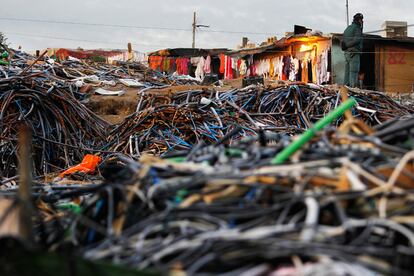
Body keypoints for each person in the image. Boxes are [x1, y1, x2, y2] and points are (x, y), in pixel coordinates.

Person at [342, 13, 364, 87]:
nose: (362, 21)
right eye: (362, 20)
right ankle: (352, 89)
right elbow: (357, 39)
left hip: (347, 53)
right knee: (354, 71)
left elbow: (343, 40)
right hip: (354, 53)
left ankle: (345, 88)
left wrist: (346, 46)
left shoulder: (348, 28)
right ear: (359, 20)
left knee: (347, 72)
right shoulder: (357, 28)